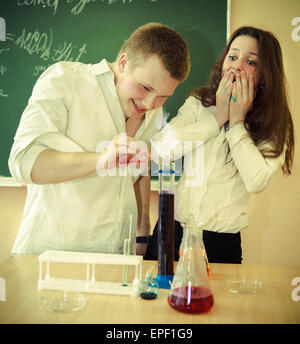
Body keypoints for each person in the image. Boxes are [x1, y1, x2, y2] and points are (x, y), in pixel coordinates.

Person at [8, 23, 190, 255]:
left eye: (163, 97)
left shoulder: (152, 114)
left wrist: (142, 232)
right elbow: (23, 163)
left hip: (116, 261)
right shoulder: (65, 80)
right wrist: (102, 160)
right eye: (145, 87)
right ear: (124, 63)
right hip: (49, 260)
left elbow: (137, 172)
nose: (149, 104)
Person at [145, 26, 295, 264]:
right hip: (172, 232)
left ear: (266, 74)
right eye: (232, 57)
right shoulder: (199, 103)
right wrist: (216, 119)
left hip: (221, 243)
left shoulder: (274, 122)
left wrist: (236, 122)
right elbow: (161, 150)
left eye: (251, 62)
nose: (237, 66)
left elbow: (257, 180)